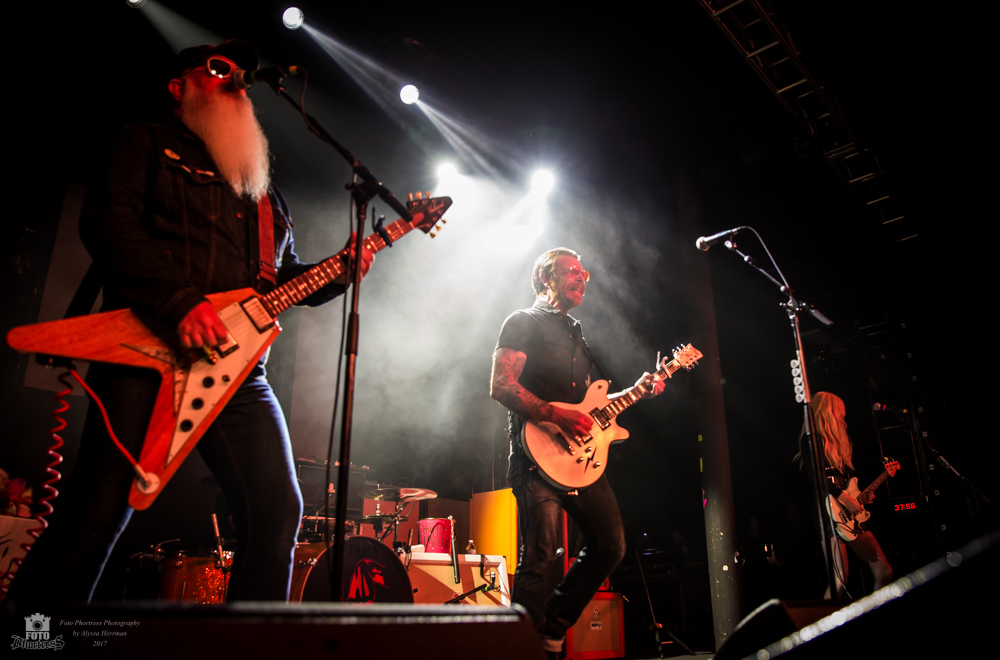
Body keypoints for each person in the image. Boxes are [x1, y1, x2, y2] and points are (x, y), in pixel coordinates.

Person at [7, 40, 373, 607]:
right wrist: (179, 301)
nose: (236, 80)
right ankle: (33, 639)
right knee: (98, 513)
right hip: (148, 351)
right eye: (218, 68)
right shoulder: (145, 141)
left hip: (239, 375)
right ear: (179, 87)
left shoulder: (263, 193)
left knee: (278, 510)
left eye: (242, 73)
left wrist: (342, 270)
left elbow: (278, 282)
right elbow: (108, 223)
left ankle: (245, 644)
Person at [490, 247, 663, 657]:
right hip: (535, 456)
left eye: (584, 272)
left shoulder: (577, 334)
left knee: (611, 545)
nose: (582, 277)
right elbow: (501, 385)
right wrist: (555, 414)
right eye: (571, 270)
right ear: (546, 277)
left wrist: (637, 390)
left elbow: (589, 406)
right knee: (540, 556)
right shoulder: (523, 321)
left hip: (579, 460)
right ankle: (522, 649)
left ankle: (552, 628)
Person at [810, 392, 893, 598]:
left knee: (884, 572)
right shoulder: (811, 440)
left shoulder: (841, 444)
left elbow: (849, 483)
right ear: (827, 412)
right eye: (839, 412)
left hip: (849, 514)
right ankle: (823, 619)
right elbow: (817, 478)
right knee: (839, 580)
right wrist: (846, 499)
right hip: (827, 512)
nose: (842, 417)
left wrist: (860, 498)